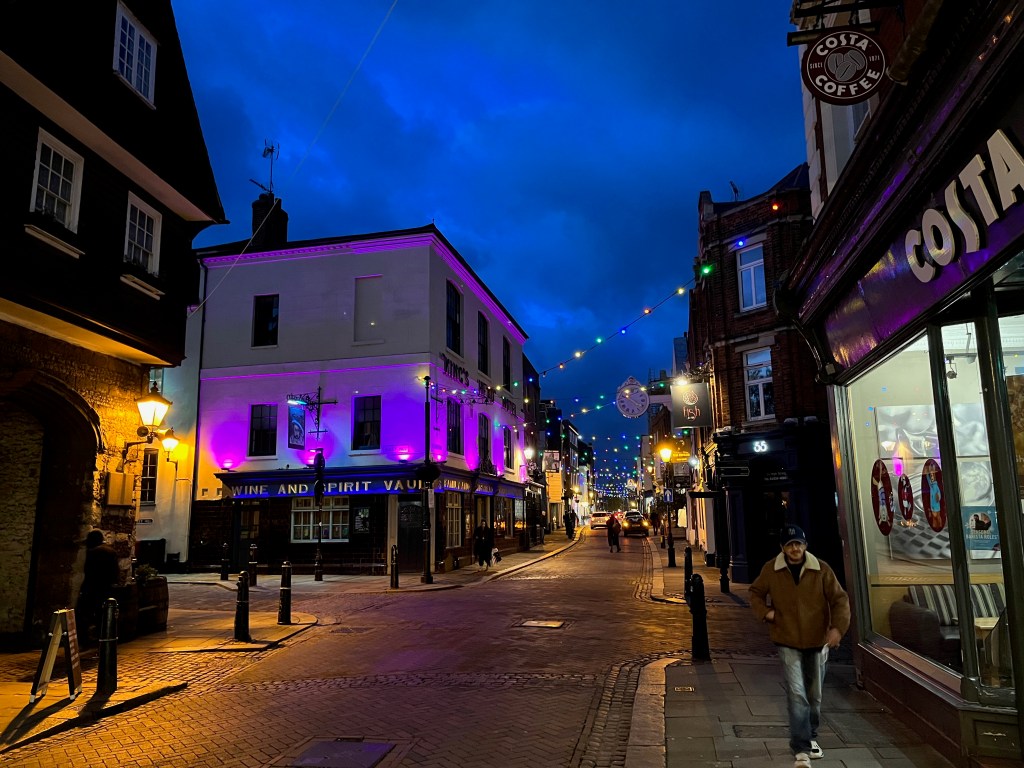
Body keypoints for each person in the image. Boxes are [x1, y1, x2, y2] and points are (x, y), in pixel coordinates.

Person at [750, 524, 850, 768]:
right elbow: (755, 593)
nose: (795, 548)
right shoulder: (771, 570)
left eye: (799, 543)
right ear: (782, 548)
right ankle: (801, 748)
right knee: (797, 693)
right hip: (787, 640)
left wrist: (837, 629)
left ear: (805, 545)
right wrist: (767, 613)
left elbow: (840, 600)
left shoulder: (821, 570)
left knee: (814, 696)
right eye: (790, 545)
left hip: (818, 641)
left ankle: (811, 734)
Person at [76, 530, 120, 640]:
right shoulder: (111, 552)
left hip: (93, 587)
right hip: (107, 587)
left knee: (84, 613)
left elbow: (89, 571)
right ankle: (103, 635)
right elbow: (116, 571)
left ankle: (84, 638)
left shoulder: (92, 553)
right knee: (103, 613)